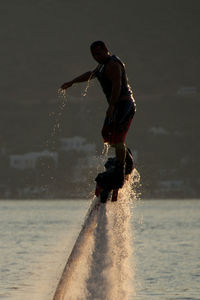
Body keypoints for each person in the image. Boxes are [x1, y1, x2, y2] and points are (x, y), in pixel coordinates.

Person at [61, 41, 136, 188]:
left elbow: (117, 85)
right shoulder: (102, 66)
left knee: (118, 138)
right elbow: (90, 74)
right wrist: (72, 82)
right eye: (94, 55)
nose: (96, 57)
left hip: (123, 104)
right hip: (116, 105)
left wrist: (112, 105)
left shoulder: (113, 65)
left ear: (106, 50)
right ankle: (125, 160)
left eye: (99, 53)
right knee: (107, 135)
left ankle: (120, 171)